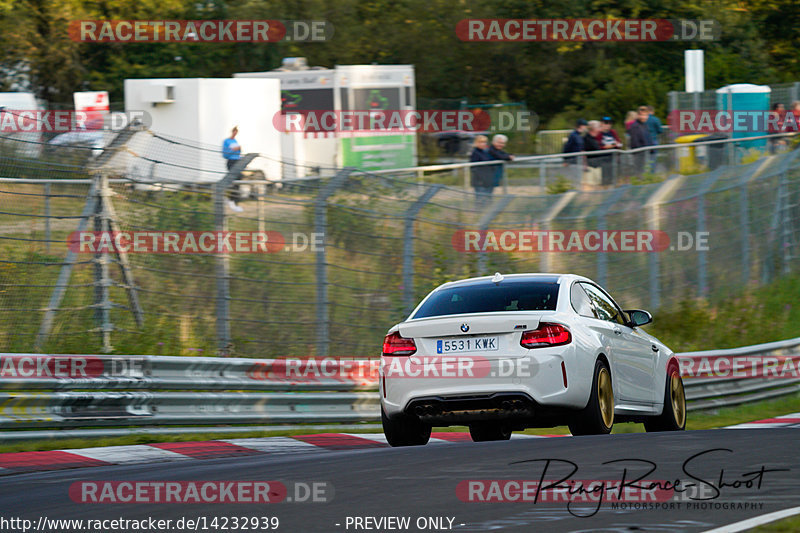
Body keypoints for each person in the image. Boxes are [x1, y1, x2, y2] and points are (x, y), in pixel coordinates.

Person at [222, 126, 243, 212]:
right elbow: (225, 154)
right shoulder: (226, 141)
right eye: (234, 132)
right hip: (230, 162)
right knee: (235, 179)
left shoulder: (235, 141)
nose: (235, 133)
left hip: (237, 161)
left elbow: (238, 153)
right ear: (232, 131)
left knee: (239, 179)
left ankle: (233, 200)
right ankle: (231, 199)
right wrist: (234, 150)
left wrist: (239, 151)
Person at [470, 135, 494, 207]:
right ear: (476, 143)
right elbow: (473, 167)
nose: (483, 144)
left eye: (484, 142)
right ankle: (479, 214)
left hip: (488, 180)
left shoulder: (486, 152)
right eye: (480, 142)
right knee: (481, 199)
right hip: (479, 181)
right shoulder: (475, 153)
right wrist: (481, 178)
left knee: (488, 199)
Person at [628, 106, 653, 175]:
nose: (644, 117)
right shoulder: (634, 126)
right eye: (642, 115)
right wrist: (640, 151)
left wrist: (651, 148)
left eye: (646, 115)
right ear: (638, 115)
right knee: (639, 171)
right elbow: (635, 141)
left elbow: (648, 138)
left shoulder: (645, 125)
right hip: (639, 153)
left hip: (645, 152)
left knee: (645, 171)